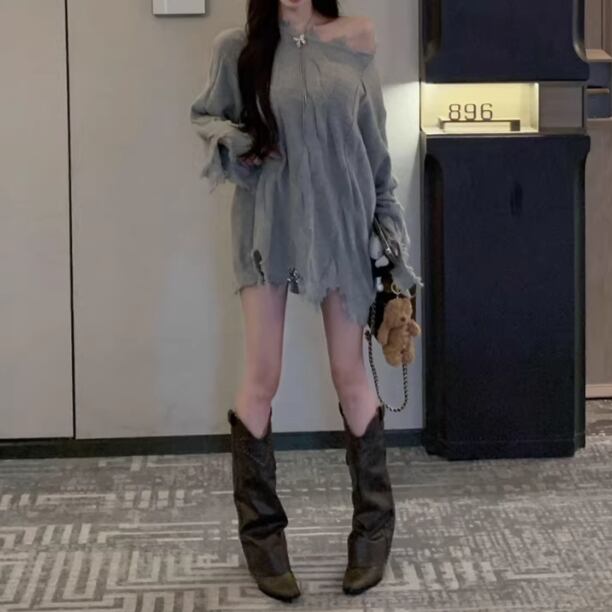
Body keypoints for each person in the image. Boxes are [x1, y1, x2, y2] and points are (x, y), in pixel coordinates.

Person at [190, 0, 423, 602]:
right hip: (268, 228)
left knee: (350, 375)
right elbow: (207, 116)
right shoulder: (238, 48)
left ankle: (373, 531)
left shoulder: (355, 38)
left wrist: (392, 247)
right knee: (261, 375)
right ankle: (263, 540)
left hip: (342, 230)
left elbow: (374, 152)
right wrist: (243, 141)